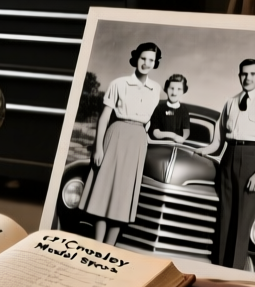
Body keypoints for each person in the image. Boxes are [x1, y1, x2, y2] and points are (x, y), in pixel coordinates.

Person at [81, 42, 163, 246]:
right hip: (116, 135)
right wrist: (98, 147)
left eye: (151, 60)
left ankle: (109, 246)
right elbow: (104, 117)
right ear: (136, 58)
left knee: (124, 195)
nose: (146, 63)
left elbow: (150, 119)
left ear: (155, 63)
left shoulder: (156, 88)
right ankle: (96, 244)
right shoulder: (119, 83)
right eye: (143, 58)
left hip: (138, 141)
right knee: (104, 190)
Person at [208, 58, 255, 270]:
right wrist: (201, 150)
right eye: (244, 74)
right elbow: (217, 141)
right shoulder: (230, 103)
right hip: (228, 157)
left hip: (252, 158)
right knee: (224, 218)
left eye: (252, 74)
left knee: (243, 222)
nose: (247, 78)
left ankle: (234, 273)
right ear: (239, 75)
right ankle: (217, 270)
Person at [148, 74, 192, 145]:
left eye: (179, 89)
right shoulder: (159, 107)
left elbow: (186, 130)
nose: (174, 93)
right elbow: (156, 132)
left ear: (183, 91)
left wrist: (182, 139)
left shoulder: (183, 110)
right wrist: (174, 136)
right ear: (166, 89)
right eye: (171, 88)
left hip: (177, 147)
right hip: (158, 146)